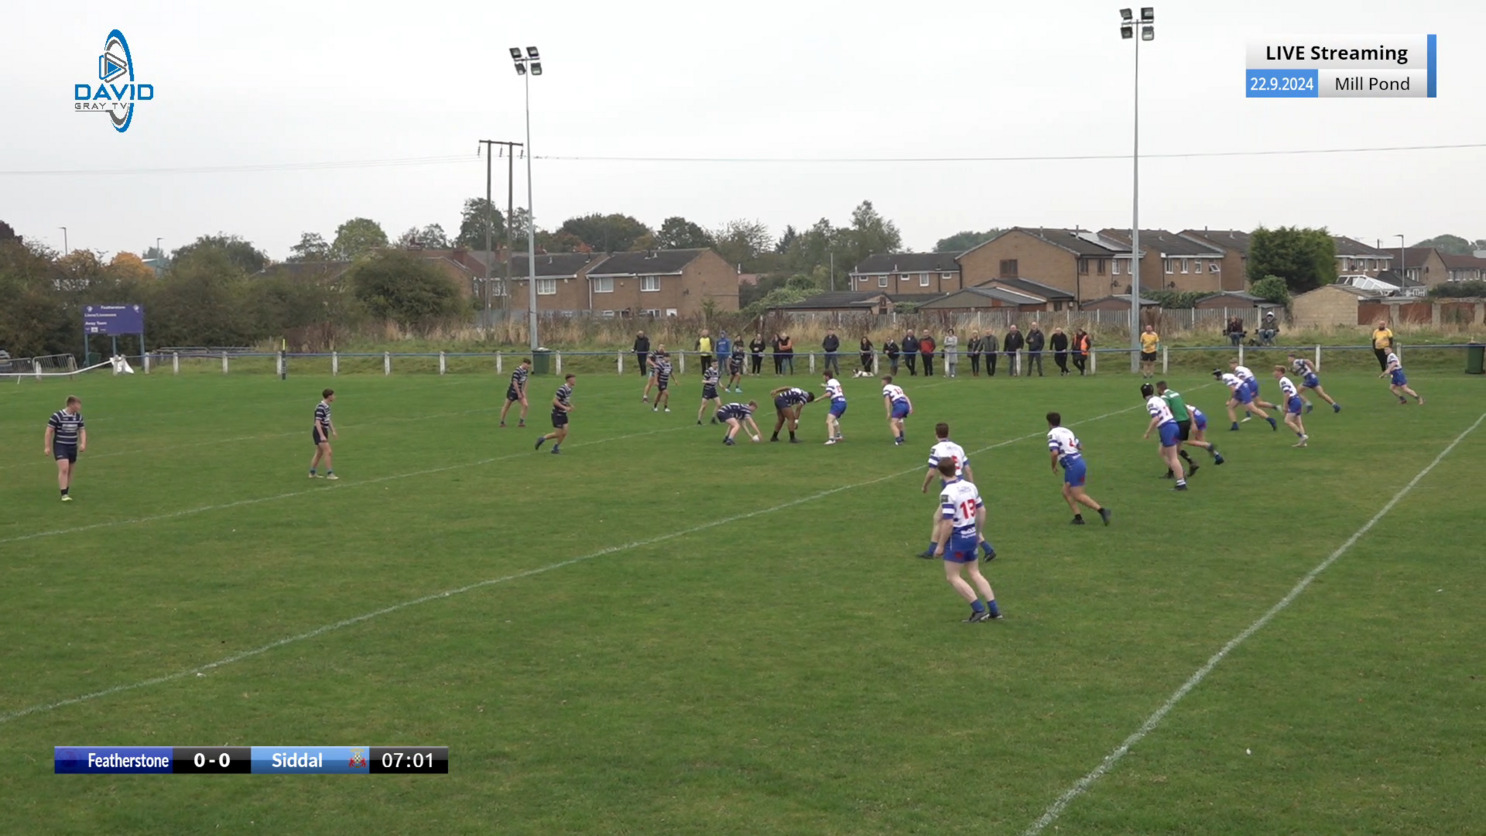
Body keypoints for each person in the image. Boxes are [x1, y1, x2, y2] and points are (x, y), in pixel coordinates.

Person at [929, 459, 1003, 623]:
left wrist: (940, 545)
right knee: (975, 572)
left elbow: (948, 523)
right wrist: (978, 532)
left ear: (940, 474)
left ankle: (978, 610)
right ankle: (995, 610)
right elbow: (982, 510)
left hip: (958, 539)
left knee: (953, 576)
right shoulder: (970, 486)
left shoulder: (947, 493)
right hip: (971, 535)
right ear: (956, 468)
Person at [919, 423, 996, 559]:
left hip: (949, 485)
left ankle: (933, 550)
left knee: (947, 519)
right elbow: (968, 469)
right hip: (961, 482)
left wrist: (925, 486)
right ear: (948, 433)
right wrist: (972, 487)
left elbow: (931, 472)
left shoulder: (936, 449)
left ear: (936, 434)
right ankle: (987, 549)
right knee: (949, 518)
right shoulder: (958, 448)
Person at [1046, 411, 1111, 525]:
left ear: (1049, 423)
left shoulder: (1052, 434)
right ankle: (1078, 518)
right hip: (1078, 462)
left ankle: (1102, 511)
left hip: (1073, 466)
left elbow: (1054, 453)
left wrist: (1053, 466)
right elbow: (1080, 446)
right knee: (1066, 492)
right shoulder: (1067, 431)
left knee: (1078, 495)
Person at [1157, 380, 1223, 478]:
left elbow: (1168, 410)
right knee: (1184, 445)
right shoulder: (1175, 394)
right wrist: (1192, 423)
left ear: (1159, 389)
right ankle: (1215, 455)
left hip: (1188, 420)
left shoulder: (1166, 399)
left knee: (1173, 447)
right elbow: (1187, 409)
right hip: (1198, 418)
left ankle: (1180, 471)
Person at [1142, 383, 1188, 491]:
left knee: (1172, 457)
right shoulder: (1159, 399)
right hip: (1173, 424)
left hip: (1167, 427)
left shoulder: (1150, 403)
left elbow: (1155, 419)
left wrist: (1148, 433)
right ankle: (1180, 471)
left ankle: (1181, 482)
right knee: (1162, 452)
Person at [44, 395, 87, 500]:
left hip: (72, 446)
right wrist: (47, 447)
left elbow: (82, 430)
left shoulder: (78, 417)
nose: (80, 406)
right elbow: (49, 431)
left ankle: (66, 491)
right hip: (60, 445)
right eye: (78, 404)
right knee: (64, 468)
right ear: (71, 404)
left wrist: (83, 443)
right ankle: (63, 494)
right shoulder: (57, 416)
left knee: (70, 470)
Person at [535, 374, 576, 454]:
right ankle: (543, 438)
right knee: (558, 434)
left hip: (563, 414)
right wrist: (564, 408)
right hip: (557, 414)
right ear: (569, 380)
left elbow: (564, 400)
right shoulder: (562, 389)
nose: (575, 381)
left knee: (564, 433)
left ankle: (555, 448)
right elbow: (555, 401)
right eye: (573, 379)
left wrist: (570, 405)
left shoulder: (570, 389)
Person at [1274, 366, 1310, 447]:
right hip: (1297, 400)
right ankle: (1303, 443)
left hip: (1293, 401)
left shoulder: (1283, 381)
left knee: (1287, 421)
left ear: (1280, 372)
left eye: (1275, 371)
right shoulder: (1286, 380)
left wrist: (1285, 406)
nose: (1274, 373)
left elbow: (1287, 393)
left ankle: (1302, 437)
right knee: (1298, 422)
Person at [308, 388, 337, 480]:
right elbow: (317, 422)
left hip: (323, 430)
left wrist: (333, 430)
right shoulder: (321, 407)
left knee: (319, 453)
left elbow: (327, 420)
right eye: (333, 395)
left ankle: (312, 473)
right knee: (328, 452)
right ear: (329, 396)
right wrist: (321, 435)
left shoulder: (327, 406)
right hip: (319, 431)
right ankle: (330, 473)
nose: (334, 397)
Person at [499, 358, 532, 428]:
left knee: (525, 405)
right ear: (524, 363)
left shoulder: (525, 371)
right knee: (507, 406)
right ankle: (502, 422)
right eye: (527, 365)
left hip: (520, 390)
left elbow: (526, 381)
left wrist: (523, 391)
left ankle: (521, 422)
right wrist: (518, 393)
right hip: (513, 391)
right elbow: (515, 383)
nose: (528, 367)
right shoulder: (517, 371)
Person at [881, 375, 912, 445]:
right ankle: (901, 437)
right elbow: (905, 396)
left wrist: (888, 412)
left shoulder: (886, 388)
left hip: (899, 405)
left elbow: (887, 399)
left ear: (885, 381)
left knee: (892, 424)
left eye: (882, 381)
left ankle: (898, 441)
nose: (881, 383)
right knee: (900, 421)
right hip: (905, 405)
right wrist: (910, 407)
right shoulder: (897, 387)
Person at [821, 371, 847, 444]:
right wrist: (825, 386)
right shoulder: (835, 381)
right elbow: (835, 388)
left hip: (837, 403)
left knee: (829, 421)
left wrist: (818, 399)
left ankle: (831, 439)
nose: (823, 378)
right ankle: (838, 435)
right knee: (833, 419)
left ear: (827, 376)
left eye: (823, 376)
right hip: (843, 402)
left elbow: (828, 394)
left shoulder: (830, 382)